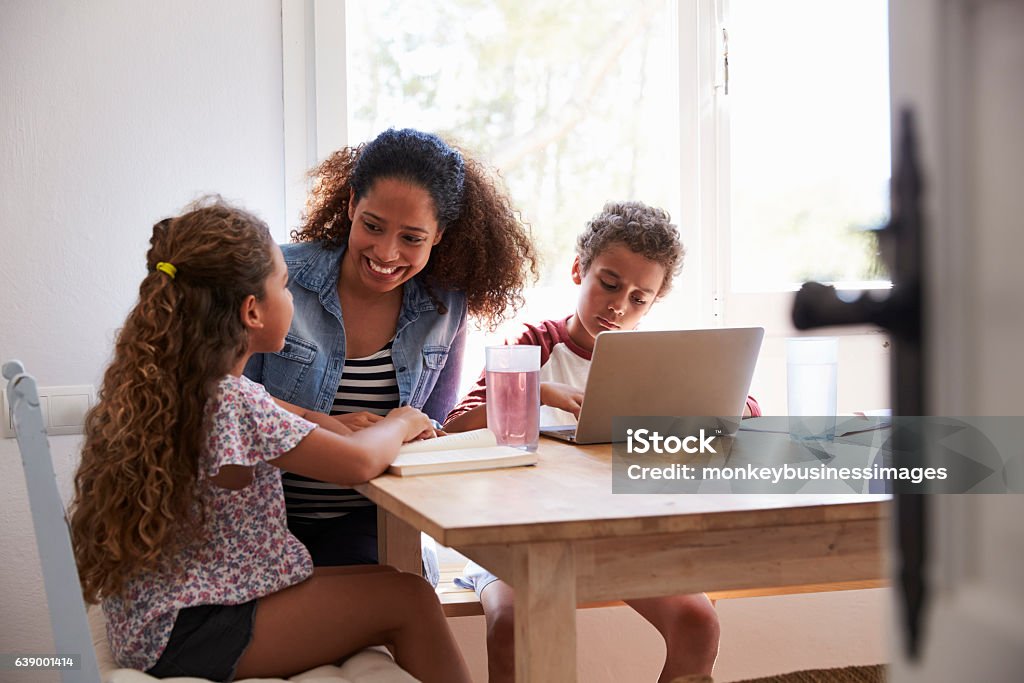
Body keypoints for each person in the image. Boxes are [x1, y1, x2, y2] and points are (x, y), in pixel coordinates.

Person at [69, 198, 472, 682]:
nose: (294, 299)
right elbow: (358, 464)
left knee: (389, 580)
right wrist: (404, 421)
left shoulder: (184, 386)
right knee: (412, 600)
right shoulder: (233, 404)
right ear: (252, 311)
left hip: (159, 621)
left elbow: (294, 414)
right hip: (197, 631)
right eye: (284, 285)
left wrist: (336, 422)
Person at [445, 201, 760, 683]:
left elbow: (749, 408)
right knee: (512, 623)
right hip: (516, 533)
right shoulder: (533, 344)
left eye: (639, 298)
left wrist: (721, 404)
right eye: (609, 284)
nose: (619, 305)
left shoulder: (658, 359)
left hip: (614, 535)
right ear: (579, 270)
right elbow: (457, 423)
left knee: (698, 622)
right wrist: (539, 390)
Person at [244, 128, 535, 569]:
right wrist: (321, 426)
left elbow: (430, 422)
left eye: (412, 238)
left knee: (389, 595)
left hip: (367, 520)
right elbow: (223, 402)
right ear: (351, 204)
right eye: (373, 226)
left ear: (438, 234)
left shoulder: (445, 306)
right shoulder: (278, 278)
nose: (386, 252)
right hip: (262, 517)